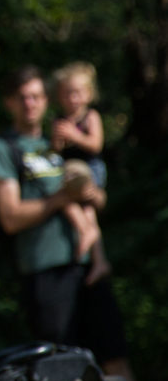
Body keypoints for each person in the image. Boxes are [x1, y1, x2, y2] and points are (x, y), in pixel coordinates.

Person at [0, 65, 145, 381]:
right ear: (10, 103)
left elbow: (98, 197)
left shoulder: (61, 143)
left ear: (47, 100)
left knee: (114, 358)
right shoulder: (5, 148)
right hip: (46, 272)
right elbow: (10, 216)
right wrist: (59, 200)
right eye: (23, 97)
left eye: (37, 96)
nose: (31, 104)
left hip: (88, 268)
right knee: (59, 370)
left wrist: (91, 194)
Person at [51, 61, 111, 286]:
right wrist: (58, 138)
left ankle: (96, 254)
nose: (72, 98)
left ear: (88, 94)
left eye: (76, 93)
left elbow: (96, 145)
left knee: (87, 208)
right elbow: (55, 150)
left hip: (90, 170)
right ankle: (96, 255)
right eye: (67, 93)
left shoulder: (91, 117)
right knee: (65, 199)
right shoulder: (59, 120)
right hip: (67, 172)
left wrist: (74, 136)